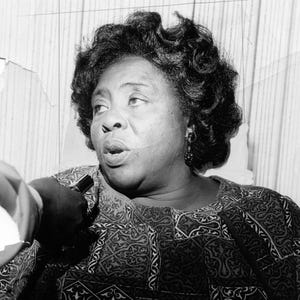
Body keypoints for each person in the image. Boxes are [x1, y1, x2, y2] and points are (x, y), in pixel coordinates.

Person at [0, 11, 299, 300]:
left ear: (190, 117)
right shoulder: (56, 198)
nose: (108, 119)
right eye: (99, 107)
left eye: (135, 99)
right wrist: (37, 204)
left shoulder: (267, 214)